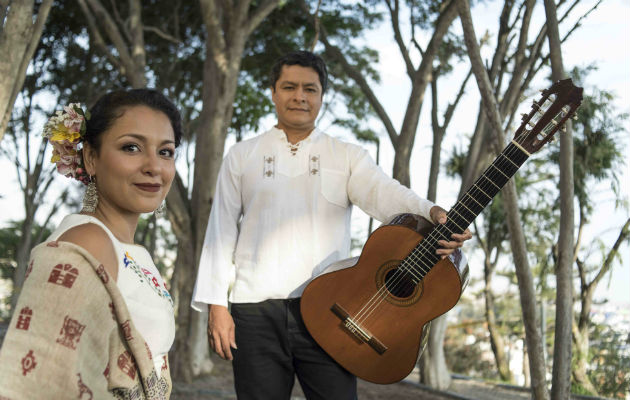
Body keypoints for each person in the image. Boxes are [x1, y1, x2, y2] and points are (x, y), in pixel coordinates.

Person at [191, 50, 472, 399]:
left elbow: (386, 194)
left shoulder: (347, 155)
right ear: (273, 92)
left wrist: (433, 213)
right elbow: (221, 231)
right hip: (254, 312)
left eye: (310, 89)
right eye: (289, 87)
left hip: (331, 309)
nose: (300, 96)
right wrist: (217, 305)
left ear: (322, 96)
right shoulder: (242, 155)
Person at [0, 89, 181, 399]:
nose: (154, 166)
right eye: (132, 147)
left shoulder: (134, 252)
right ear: (91, 158)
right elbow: (34, 380)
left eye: (165, 151)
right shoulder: (87, 242)